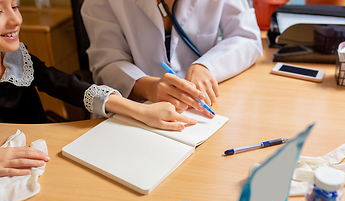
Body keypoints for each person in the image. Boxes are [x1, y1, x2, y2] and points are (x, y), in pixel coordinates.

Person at [0, 0, 201, 177]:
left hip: (38, 158)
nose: (16, 20)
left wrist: (142, 110)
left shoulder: (16, 58)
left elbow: (68, 85)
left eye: (15, 6)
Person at [81, 0, 263, 116]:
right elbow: (106, 63)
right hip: (135, 111)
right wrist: (148, 87)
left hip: (199, 109)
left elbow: (247, 37)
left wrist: (207, 66)